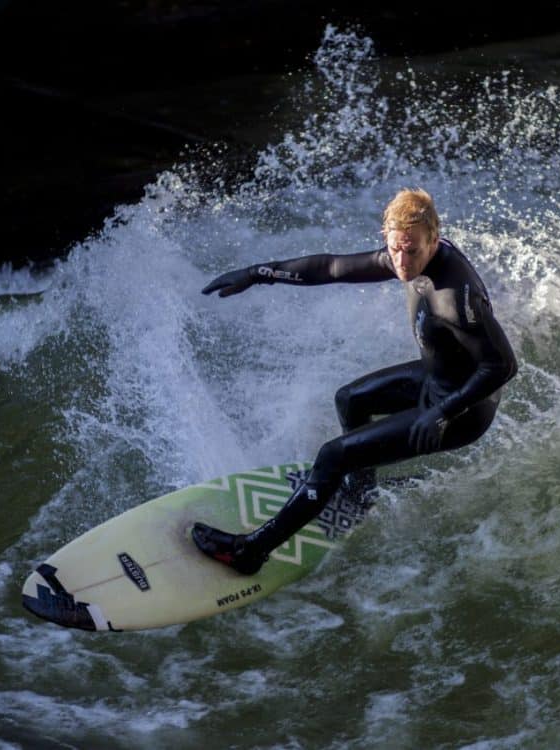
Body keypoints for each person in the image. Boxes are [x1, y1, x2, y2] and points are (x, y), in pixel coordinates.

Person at [194, 188, 517, 574]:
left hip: (461, 411)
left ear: (434, 238)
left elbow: (501, 366)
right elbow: (331, 268)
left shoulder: (453, 298)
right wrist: (258, 273)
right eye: (395, 249)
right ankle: (361, 492)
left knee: (333, 455)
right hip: (438, 378)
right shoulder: (410, 252)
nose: (401, 262)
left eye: (412, 251)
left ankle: (250, 553)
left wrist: (443, 413)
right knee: (350, 400)